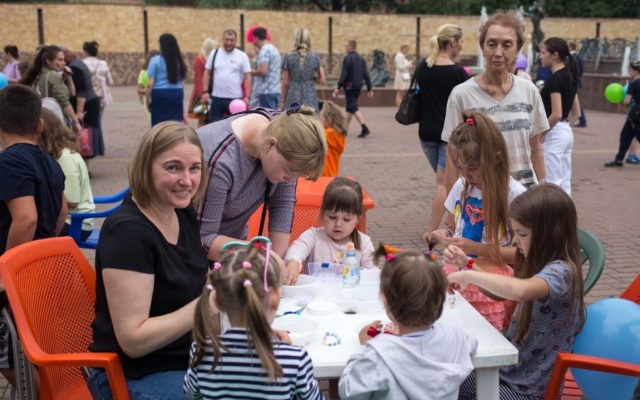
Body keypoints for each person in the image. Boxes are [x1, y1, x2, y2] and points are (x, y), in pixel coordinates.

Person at [86, 122, 209, 400]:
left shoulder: (182, 212)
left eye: (194, 168)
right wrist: (208, 304)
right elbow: (133, 341)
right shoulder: (128, 233)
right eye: (173, 168)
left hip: (185, 358)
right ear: (146, 167)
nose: (187, 180)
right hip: (131, 375)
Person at [447, 183, 586, 399]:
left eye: (522, 233)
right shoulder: (537, 263)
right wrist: (468, 264)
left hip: (528, 392)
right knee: (446, 376)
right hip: (507, 375)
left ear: (549, 234)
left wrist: (469, 277)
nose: (514, 240)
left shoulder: (562, 272)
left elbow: (520, 291)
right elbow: (502, 293)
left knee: (451, 387)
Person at [184, 237, 323, 399]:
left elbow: (192, 394)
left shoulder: (201, 352)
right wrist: (284, 351)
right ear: (276, 298)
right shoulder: (295, 360)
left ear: (218, 300)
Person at [423, 111, 525, 330]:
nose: (466, 175)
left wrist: (475, 248)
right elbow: (456, 231)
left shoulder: (514, 194)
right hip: (456, 276)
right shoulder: (462, 186)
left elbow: (522, 254)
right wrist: (443, 236)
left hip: (490, 283)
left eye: (472, 168)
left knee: (487, 338)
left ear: (496, 158)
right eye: (460, 168)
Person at [338, 245, 477, 400]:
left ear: (385, 300)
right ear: (441, 300)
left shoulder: (377, 355)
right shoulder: (457, 335)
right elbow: (472, 345)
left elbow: (348, 392)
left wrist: (363, 348)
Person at [196, 105, 326, 264]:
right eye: (288, 172)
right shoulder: (221, 162)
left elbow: (282, 204)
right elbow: (203, 239)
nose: (290, 181)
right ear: (270, 144)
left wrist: (277, 263)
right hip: (192, 257)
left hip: (233, 252)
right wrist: (265, 258)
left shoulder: (285, 133)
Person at [0, 85, 66, 387]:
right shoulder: (51, 162)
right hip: (43, 268)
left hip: (19, 274)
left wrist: (6, 269)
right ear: (39, 125)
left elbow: (26, 218)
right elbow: (61, 211)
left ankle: (45, 394)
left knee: (7, 351)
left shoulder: (9, 161)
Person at [441, 10, 549, 190]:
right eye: (491, 44)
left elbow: (536, 149)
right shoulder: (461, 95)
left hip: (524, 197)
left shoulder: (529, 91)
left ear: (517, 50)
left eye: (507, 45)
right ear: (482, 48)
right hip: (481, 197)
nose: (498, 52)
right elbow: (453, 155)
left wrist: (544, 188)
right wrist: (453, 203)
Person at [415, 24, 468, 233]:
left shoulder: (423, 67)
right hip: (449, 136)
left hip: (426, 134)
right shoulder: (457, 73)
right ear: (453, 42)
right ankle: (432, 232)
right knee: (444, 183)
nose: (462, 46)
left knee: (452, 180)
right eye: (461, 41)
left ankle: (459, 220)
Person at [284, 176, 375, 284]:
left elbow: (373, 273)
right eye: (332, 217)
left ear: (358, 218)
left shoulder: (364, 243)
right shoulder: (313, 236)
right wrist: (293, 262)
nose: (338, 224)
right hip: (316, 293)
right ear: (323, 213)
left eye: (346, 219)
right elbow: (297, 249)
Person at [38, 108, 95, 241]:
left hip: (76, 224)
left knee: (30, 231)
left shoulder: (65, 158)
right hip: (71, 220)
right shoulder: (61, 152)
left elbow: (72, 201)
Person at [538, 37, 581, 195]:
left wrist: (540, 135)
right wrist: (564, 127)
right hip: (564, 132)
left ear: (554, 55)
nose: (540, 57)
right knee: (564, 181)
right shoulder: (570, 77)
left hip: (554, 132)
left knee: (552, 181)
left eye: (543, 53)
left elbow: (556, 113)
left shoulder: (555, 79)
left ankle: (553, 212)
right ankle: (566, 210)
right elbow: (576, 113)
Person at [20, 45, 83, 134]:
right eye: (60, 60)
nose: (64, 63)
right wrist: (76, 122)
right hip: (56, 118)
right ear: (48, 61)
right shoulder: (53, 75)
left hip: (45, 116)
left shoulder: (42, 73)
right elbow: (64, 101)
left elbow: (72, 93)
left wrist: (68, 77)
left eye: (63, 60)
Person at [63, 47, 104, 172]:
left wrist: (79, 112)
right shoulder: (79, 63)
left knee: (84, 136)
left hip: (86, 105)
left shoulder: (74, 68)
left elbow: (81, 91)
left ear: (67, 57)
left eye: (62, 58)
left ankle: (84, 169)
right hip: (90, 103)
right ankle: (85, 168)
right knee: (86, 136)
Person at [201, 30, 252, 122]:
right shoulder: (214, 53)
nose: (229, 43)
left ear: (236, 41)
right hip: (216, 98)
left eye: (232, 40)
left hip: (235, 99)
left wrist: (247, 97)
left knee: (234, 125)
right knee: (215, 125)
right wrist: (205, 91)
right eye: (227, 40)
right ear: (223, 40)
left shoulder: (242, 56)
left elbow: (247, 77)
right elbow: (207, 72)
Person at [146, 33, 187, 126]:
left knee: (159, 125)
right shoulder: (179, 61)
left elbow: (150, 84)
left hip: (160, 94)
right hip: (177, 93)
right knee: (175, 124)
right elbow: (182, 84)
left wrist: (147, 100)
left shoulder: (155, 60)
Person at [604, 61, 640, 167]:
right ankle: (618, 160)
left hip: (635, 115)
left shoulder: (633, 84)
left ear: (636, 71)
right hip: (635, 115)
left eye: (630, 70)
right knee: (626, 135)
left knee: (627, 136)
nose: (629, 72)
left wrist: (621, 101)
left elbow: (627, 101)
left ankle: (618, 160)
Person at [281, 28, 325, 114]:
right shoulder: (314, 57)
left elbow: (285, 83)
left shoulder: (288, 57)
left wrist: (283, 100)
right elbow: (322, 80)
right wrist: (312, 77)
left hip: (292, 95)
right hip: (310, 95)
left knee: (293, 119)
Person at [336, 40, 373, 138]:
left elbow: (344, 74)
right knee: (350, 108)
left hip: (349, 86)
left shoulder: (347, 58)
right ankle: (344, 129)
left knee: (354, 108)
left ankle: (364, 127)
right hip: (358, 87)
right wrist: (369, 88)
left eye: (346, 46)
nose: (345, 47)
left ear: (351, 46)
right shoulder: (361, 59)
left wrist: (338, 87)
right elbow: (366, 74)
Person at [187, 38, 217, 128]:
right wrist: (202, 95)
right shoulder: (200, 60)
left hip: (213, 92)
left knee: (212, 119)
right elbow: (198, 79)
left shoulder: (213, 59)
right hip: (202, 93)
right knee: (202, 119)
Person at [82, 41, 114, 120]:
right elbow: (110, 81)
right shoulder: (103, 63)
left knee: (88, 120)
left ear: (86, 52)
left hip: (87, 96)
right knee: (99, 118)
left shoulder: (82, 63)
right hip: (101, 95)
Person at [251, 27, 281, 109]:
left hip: (266, 91)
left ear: (256, 38)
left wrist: (251, 73)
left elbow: (263, 71)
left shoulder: (264, 51)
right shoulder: (274, 49)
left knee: (267, 116)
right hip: (276, 90)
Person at [320, 100, 347, 177]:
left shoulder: (326, 134)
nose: (321, 122)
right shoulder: (340, 134)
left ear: (328, 119)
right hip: (333, 173)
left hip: (322, 174)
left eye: (322, 119)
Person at [137, 50, 160, 121]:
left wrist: (147, 91)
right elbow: (139, 89)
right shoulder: (145, 72)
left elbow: (139, 89)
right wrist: (150, 90)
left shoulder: (143, 72)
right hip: (152, 99)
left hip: (148, 101)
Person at [569, 42, 587, 128]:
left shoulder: (571, 57)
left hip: (572, 82)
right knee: (574, 101)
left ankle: (582, 120)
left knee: (574, 101)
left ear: (571, 47)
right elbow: (581, 70)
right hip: (576, 82)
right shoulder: (578, 56)